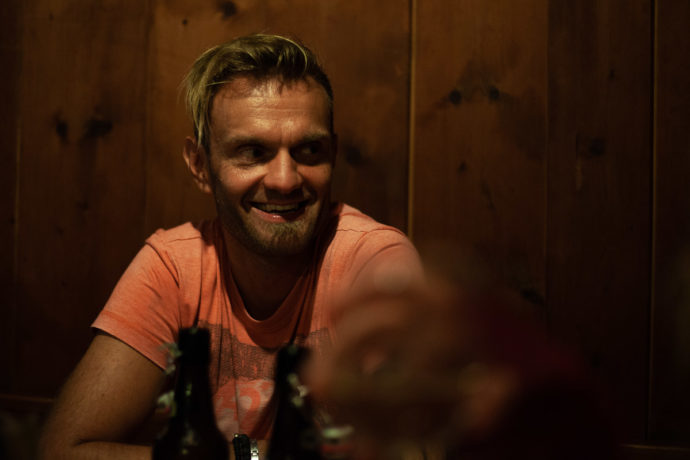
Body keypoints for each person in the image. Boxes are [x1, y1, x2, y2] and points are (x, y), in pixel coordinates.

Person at [38, 34, 421, 459]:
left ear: (332, 153)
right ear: (200, 165)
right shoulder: (174, 266)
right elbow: (62, 450)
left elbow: (412, 450)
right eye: (253, 152)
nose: (285, 180)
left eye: (309, 150)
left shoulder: (372, 261)